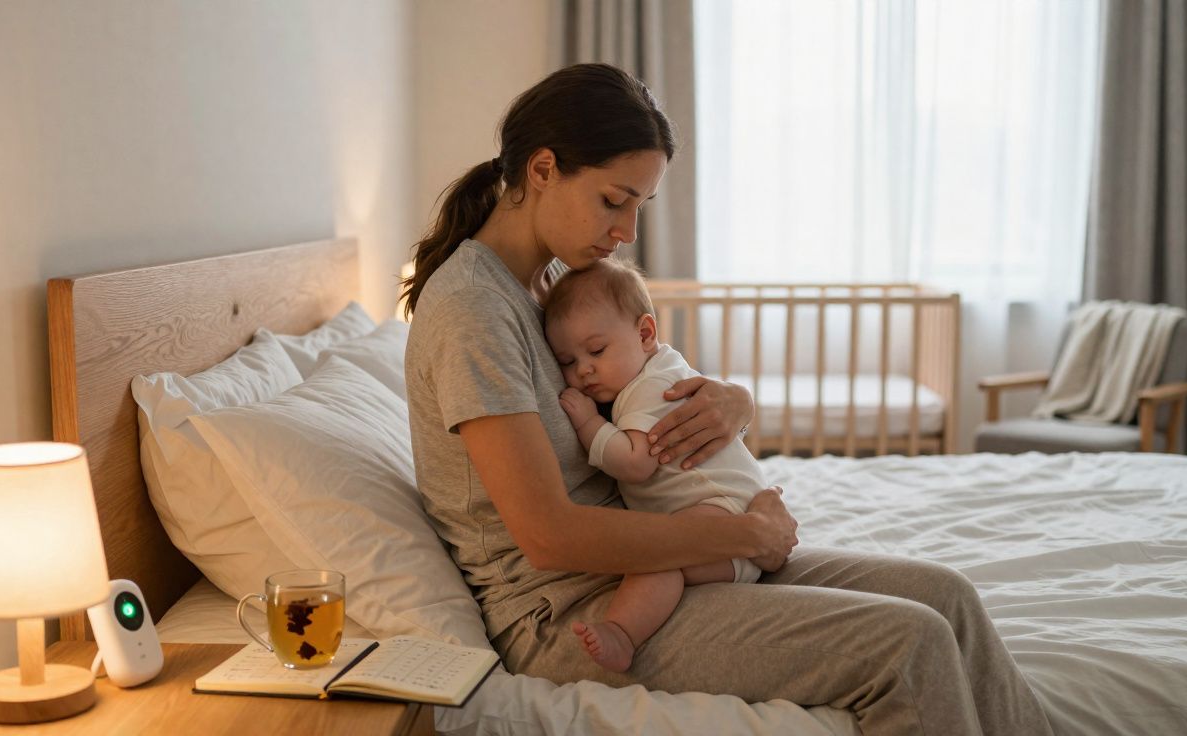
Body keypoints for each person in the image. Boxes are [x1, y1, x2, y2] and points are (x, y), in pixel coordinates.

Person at [402, 62, 1052, 736]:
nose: (626, 231)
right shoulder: (474, 309)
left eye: (637, 208)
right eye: (613, 200)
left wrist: (733, 401)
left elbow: (647, 374)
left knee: (949, 595)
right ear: (541, 171)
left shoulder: (557, 278)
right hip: (571, 609)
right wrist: (739, 533)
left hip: (658, 560)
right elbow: (546, 534)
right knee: (908, 642)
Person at [544, 258, 775, 673]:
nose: (583, 370)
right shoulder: (660, 366)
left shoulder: (647, 389)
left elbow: (636, 464)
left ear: (645, 333)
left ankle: (623, 632)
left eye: (596, 350)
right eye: (567, 361)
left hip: (722, 514)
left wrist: (588, 422)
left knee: (657, 559)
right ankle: (765, 542)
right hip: (739, 506)